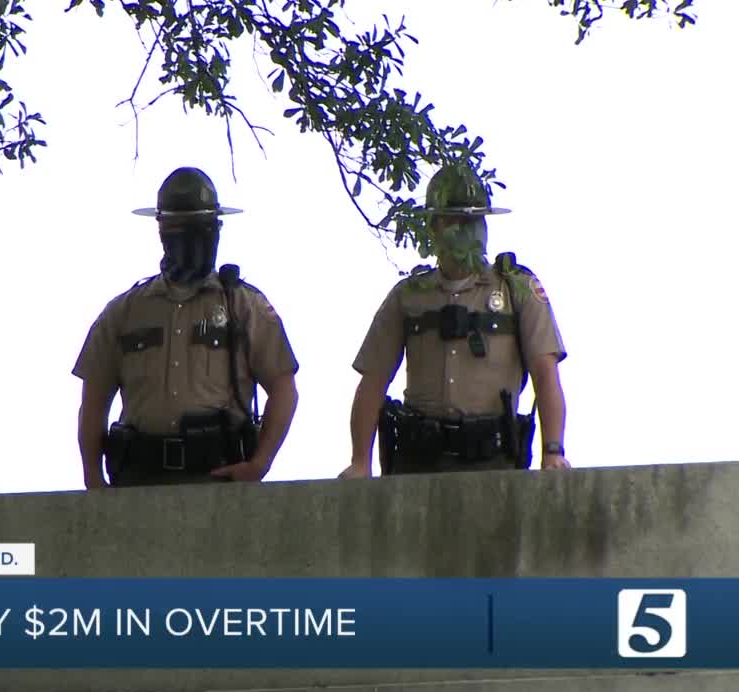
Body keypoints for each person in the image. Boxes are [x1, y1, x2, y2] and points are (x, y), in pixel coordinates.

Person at [73, 167, 300, 489]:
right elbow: (94, 401)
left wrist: (259, 464)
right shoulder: (124, 312)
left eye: (202, 227)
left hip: (218, 479)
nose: (191, 237)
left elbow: (283, 389)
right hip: (138, 481)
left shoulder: (244, 306)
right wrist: (93, 479)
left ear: (217, 228)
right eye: (180, 227)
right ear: (161, 229)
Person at [339, 163, 569, 478]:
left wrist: (553, 452)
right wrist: (360, 462)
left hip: (492, 462)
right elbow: (372, 381)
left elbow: (546, 373)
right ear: (434, 225)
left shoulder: (516, 289)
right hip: (417, 462)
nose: (468, 230)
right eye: (457, 220)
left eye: (476, 220)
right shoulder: (409, 296)